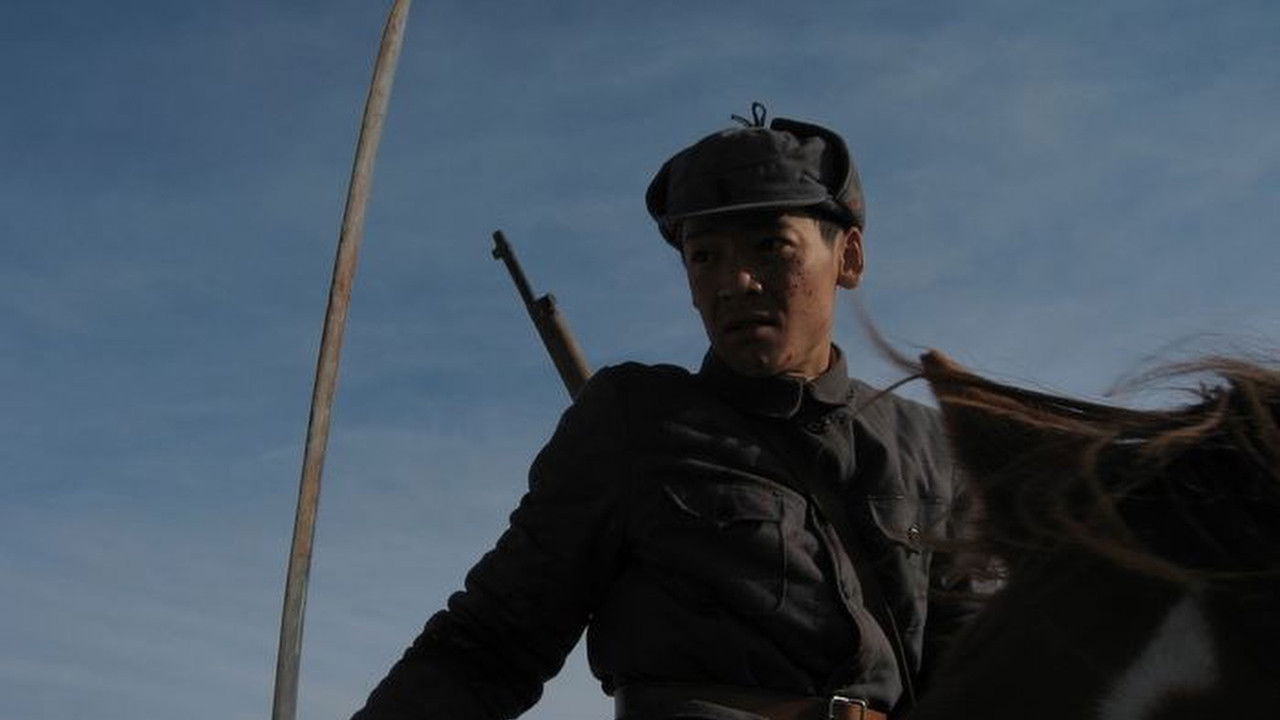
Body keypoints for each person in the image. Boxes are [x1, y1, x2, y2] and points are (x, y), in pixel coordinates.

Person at [352, 105, 984, 720]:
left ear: (849, 257)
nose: (734, 282)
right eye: (704, 256)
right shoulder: (634, 422)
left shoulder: (930, 449)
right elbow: (492, 642)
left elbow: (978, 671)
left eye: (771, 245)